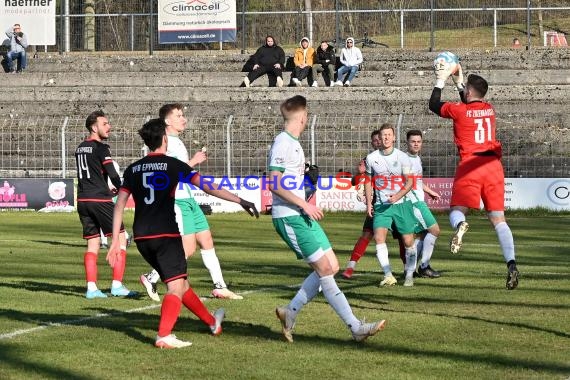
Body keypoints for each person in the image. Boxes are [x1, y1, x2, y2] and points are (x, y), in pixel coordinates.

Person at [269, 95, 385, 343]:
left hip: (300, 213)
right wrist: (304, 204)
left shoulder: (294, 144)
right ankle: (355, 327)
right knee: (324, 270)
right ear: (303, 117)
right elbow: (274, 183)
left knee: (331, 266)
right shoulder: (283, 143)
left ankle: (290, 312)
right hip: (289, 216)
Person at [108, 118, 227, 349]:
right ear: (164, 139)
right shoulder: (172, 165)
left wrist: (115, 240)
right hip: (167, 235)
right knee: (175, 287)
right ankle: (164, 335)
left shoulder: (133, 168)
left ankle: (213, 323)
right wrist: (240, 200)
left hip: (142, 237)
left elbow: (119, 205)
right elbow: (207, 186)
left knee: (181, 283)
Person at [139, 103, 258, 302]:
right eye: (178, 115)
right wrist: (193, 161)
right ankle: (152, 277)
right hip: (179, 200)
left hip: (189, 198)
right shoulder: (169, 145)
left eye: (182, 115)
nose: (183, 118)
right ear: (167, 121)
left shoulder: (177, 142)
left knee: (207, 240)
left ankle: (220, 286)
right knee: (188, 248)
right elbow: (167, 173)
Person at [429, 62, 519, 290]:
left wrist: (441, 79)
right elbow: (469, 100)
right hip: (493, 166)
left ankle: (460, 225)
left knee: (456, 211)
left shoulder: (459, 110)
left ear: (469, 92)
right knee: (498, 219)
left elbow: (433, 105)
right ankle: (511, 264)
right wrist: (459, 80)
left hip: (471, 165)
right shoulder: (489, 109)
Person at [75, 110, 136, 299]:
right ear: (94, 127)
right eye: (105, 123)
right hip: (100, 199)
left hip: (83, 199)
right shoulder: (101, 148)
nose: (109, 126)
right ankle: (117, 285)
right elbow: (112, 174)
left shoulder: (80, 147)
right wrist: (125, 189)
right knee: (122, 238)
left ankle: (91, 288)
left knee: (92, 244)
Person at [363, 124, 418, 287]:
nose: (386, 138)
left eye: (389, 135)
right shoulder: (371, 158)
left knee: (408, 241)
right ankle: (388, 275)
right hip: (381, 206)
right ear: (379, 138)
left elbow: (410, 182)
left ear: (394, 138)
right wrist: (368, 203)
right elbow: (367, 181)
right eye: (383, 135)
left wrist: (398, 196)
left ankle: (409, 275)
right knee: (379, 238)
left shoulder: (402, 157)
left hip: (401, 204)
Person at [403, 129, 441, 278]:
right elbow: (407, 182)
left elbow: (417, 181)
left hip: (418, 200)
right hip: (414, 203)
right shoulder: (405, 160)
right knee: (435, 230)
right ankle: (424, 267)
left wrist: (430, 191)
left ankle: (410, 269)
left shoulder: (417, 159)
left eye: (419, 142)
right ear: (407, 142)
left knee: (422, 234)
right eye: (413, 141)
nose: (416, 144)